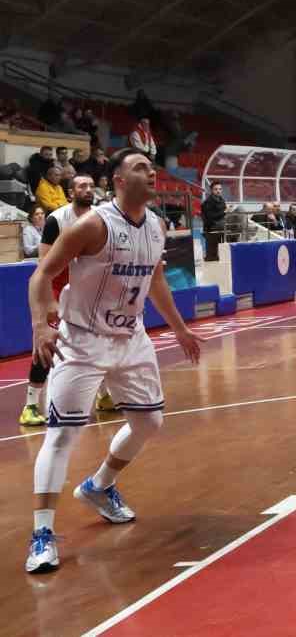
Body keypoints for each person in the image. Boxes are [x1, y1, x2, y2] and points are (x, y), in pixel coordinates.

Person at [23, 148, 203, 574]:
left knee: (149, 422)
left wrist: (178, 327)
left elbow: (155, 278)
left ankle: (99, 486)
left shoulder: (157, 225)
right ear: (119, 180)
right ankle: (42, 534)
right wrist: (40, 326)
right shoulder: (94, 224)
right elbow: (42, 274)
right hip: (82, 339)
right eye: (140, 167)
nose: (151, 173)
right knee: (62, 435)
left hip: (130, 336)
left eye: (150, 166)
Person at [19, 177, 100, 428]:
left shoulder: (101, 216)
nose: (87, 190)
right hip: (57, 287)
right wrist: (49, 300)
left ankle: (105, 396)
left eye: (91, 186)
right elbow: (44, 267)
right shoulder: (57, 219)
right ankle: (31, 405)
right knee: (47, 344)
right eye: (81, 186)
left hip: (87, 289)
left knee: (100, 341)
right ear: (70, 192)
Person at [201, 181, 227, 263]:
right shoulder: (208, 202)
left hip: (221, 222)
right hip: (212, 225)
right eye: (216, 189)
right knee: (229, 225)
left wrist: (227, 212)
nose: (218, 191)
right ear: (211, 190)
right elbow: (210, 217)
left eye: (220, 189)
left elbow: (223, 213)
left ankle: (247, 229)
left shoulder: (222, 200)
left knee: (240, 210)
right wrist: (225, 212)